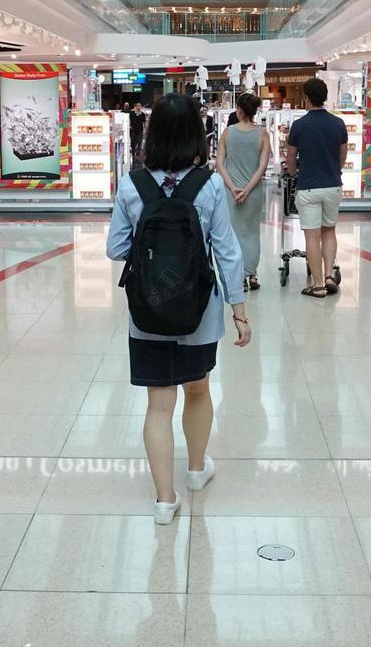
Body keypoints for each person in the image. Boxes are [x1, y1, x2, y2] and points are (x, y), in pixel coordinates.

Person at [108, 93, 250, 525]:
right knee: (198, 389)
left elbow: (116, 247)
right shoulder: (207, 185)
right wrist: (239, 310)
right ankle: (194, 471)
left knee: (157, 405)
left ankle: (164, 500)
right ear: (195, 135)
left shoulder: (132, 184)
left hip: (147, 312)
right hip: (199, 311)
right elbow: (227, 252)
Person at [284, 77, 348, 298]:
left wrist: (293, 173)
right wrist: (333, 170)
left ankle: (318, 284)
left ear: (306, 97)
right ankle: (330, 275)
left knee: (312, 236)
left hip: (308, 186)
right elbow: (342, 156)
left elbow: (291, 158)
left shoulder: (299, 125)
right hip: (332, 185)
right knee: (329, 231)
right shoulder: (338, 124)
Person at [215, 92, 270, 291]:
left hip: (230, 191)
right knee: (252, 232)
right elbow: (262, 166)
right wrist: (247, 190)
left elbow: (219, 163)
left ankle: (238, 276)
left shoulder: (228, 133)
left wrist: (232, 187)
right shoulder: (262, 134)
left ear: (239, 110)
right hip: (253, 192)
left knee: (234, 233)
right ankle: (252, 274)